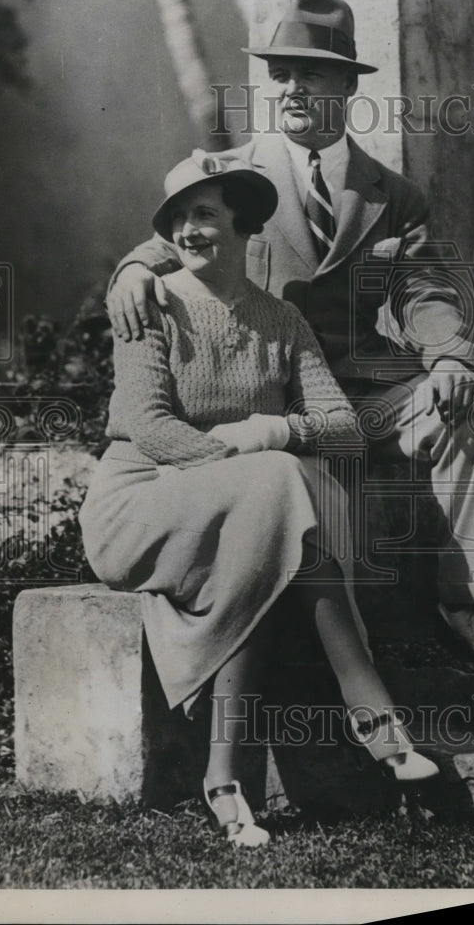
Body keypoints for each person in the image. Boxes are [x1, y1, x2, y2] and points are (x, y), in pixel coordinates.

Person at [106, 0, 474, 671]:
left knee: (472, 414)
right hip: (274, 404)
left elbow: (423, 292)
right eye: (280, 74)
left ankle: (466, 607)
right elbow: (176, 238)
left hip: (368, 399)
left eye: (309, 74)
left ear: (347, 85)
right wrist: (134, 270)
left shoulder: (391, 195)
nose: (291, 88)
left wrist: (453, 360)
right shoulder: (235, 175)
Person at [80, 152, 440, 848]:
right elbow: (150, 427)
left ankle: (224, 781)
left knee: (272, 513)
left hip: (239, 510)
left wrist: (276, 428)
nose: (189, 230)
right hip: (140, 503)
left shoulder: (282, 321)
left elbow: (342, 433)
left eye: (206, 214)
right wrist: (249, 459)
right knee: (277, 485)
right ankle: (375, 718)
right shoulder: (150, 306)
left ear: (244, 225)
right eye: (178, 218)